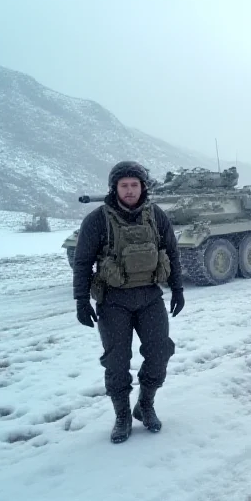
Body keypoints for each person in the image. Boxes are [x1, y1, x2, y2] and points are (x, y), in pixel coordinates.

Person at [73, 161, 184, 444]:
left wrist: (178, 288)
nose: (130, 190)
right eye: (124, 185)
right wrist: (80, 299)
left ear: (142, 187)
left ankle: (145, 405)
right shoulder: (97, 220)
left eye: (135, 185)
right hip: (113, 302)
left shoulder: (156, 216)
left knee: (160, 353)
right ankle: (122, 415)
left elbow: (171, 251)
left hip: (150, 297)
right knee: (117, 362)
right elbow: (83, 262)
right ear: (115, 187)